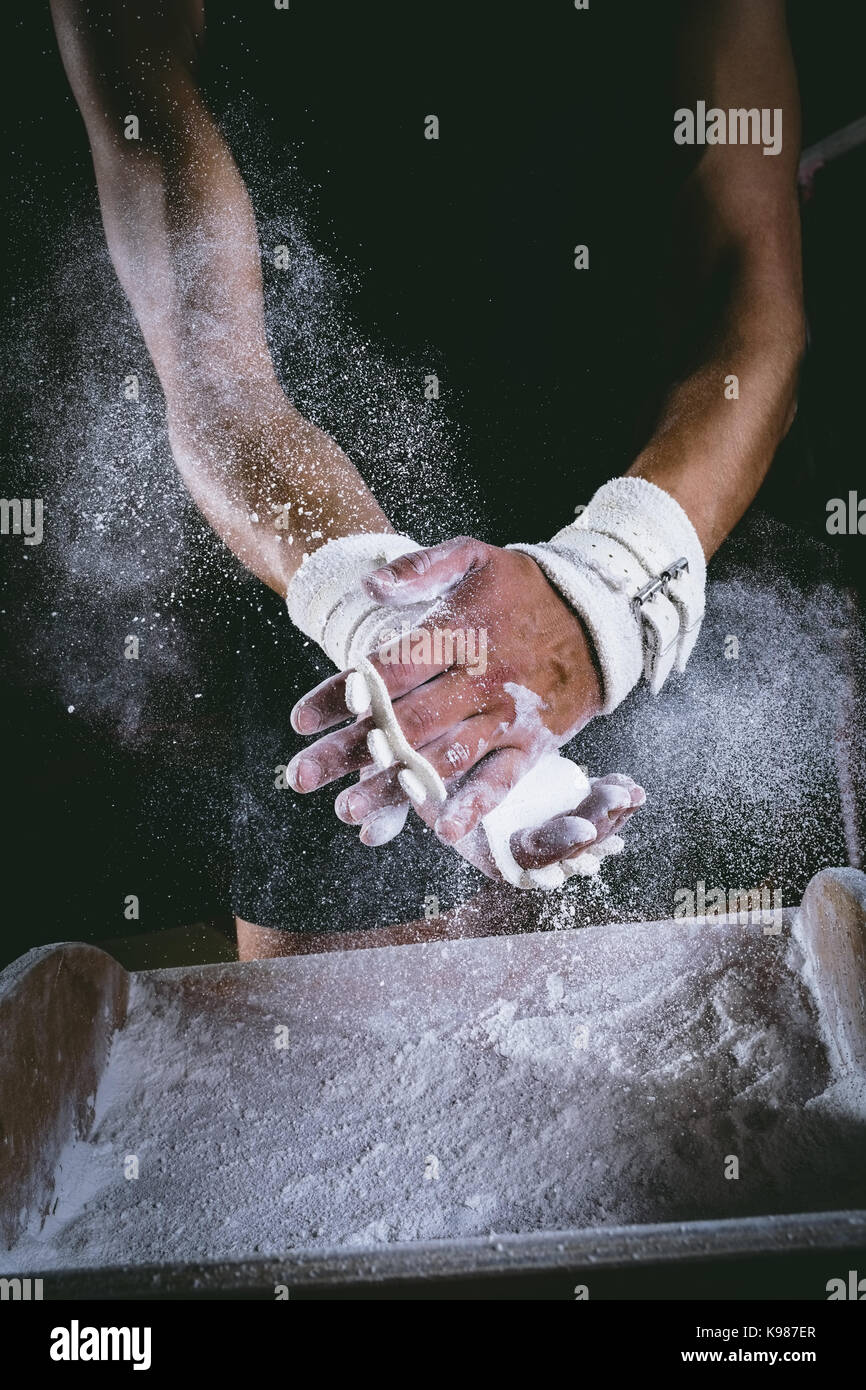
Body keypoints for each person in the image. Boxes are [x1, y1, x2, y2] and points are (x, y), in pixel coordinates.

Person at [50, 0, 805, 957]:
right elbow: (214, 374)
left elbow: (756, 301)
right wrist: (395, 627)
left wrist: (607, 583)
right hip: (340, 594)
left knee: (701, 1081)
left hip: (653, 552)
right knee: (349, 1096)